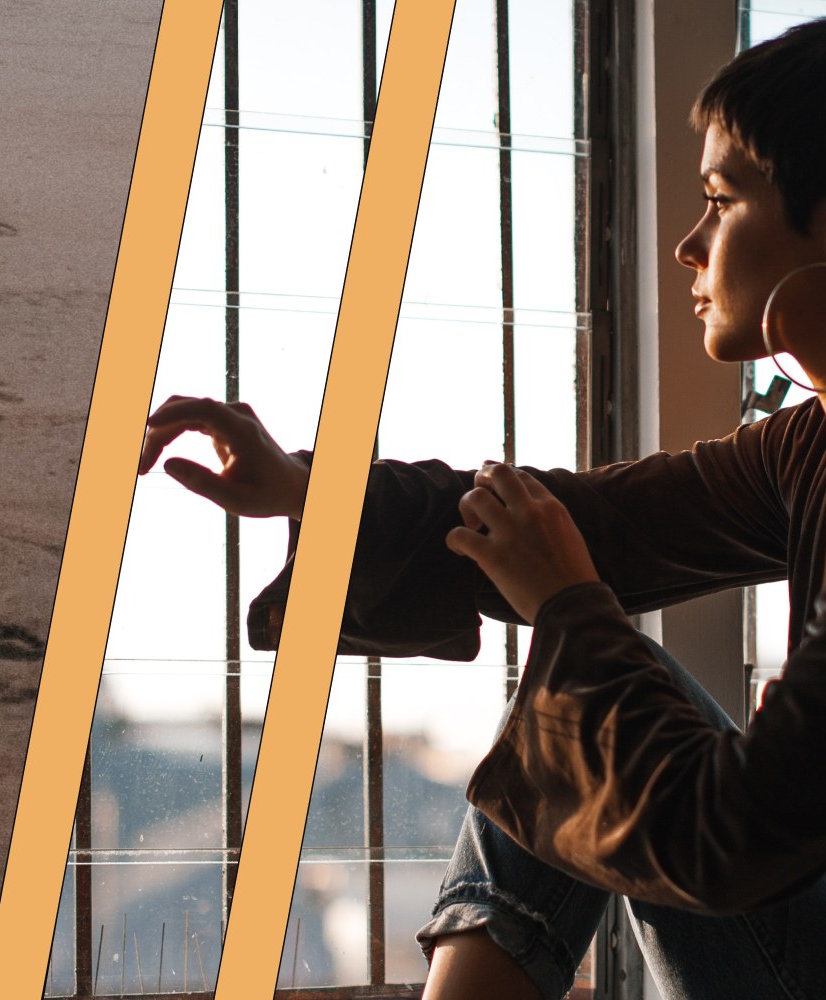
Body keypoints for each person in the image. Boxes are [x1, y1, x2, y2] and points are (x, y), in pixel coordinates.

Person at [139, 19, 826, 999]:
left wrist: (570, 611)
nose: (686, 243)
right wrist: (304, 489)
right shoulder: (808, 444)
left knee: (587, 700)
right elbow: (583, 518)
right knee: (585, 703)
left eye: (720, 201)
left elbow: (731, 840)